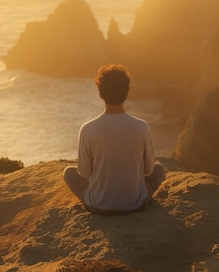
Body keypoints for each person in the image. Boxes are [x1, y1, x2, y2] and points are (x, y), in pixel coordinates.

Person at [63, 63, 165, 214]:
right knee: (159, 168)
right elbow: (149, 170)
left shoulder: (87, 129)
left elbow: (84, 174)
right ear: (127, 90)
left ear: (100, 92)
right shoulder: (141, 127)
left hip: (98, 205)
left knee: (68, 172)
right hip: (136, 204)